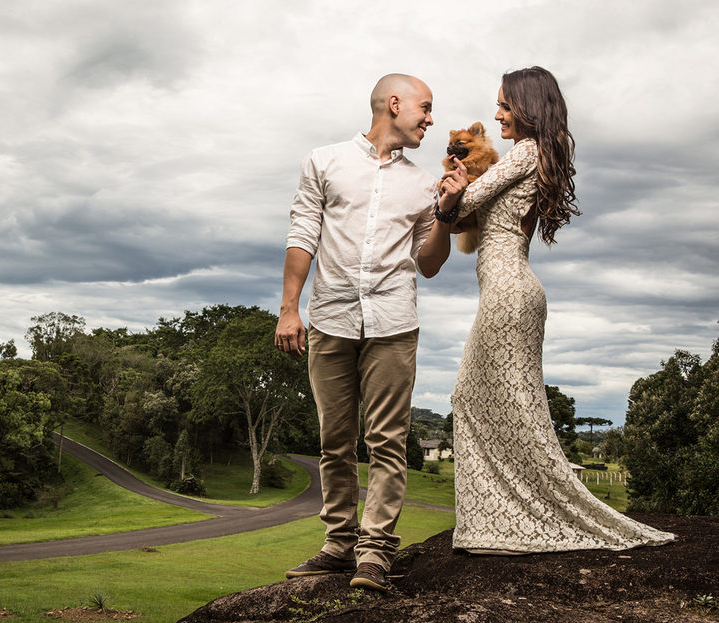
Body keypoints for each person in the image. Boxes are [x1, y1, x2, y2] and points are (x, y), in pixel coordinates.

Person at [447, 66, 674, 553]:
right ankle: (500, 519)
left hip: (509, 291)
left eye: (505, 105)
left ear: (528, 107)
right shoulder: (536, 153)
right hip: (513, 290)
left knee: (483, 401)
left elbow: (466, 203)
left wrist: (451, 194)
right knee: (485, 400)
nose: (497, 113)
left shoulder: (526, 151)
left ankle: (506, 523)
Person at [275, 73, 467, 591]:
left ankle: (375, 552)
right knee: (333, 441)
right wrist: (289, 308)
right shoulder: (324, 161)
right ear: (395, 103)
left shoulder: (426, 183)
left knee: (387, 440)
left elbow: (429, 264)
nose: (431, 120)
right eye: (425, 109)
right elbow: (302, 234)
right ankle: (338, 545)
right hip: (331, 318)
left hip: (394, 324)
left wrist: (447, 211)